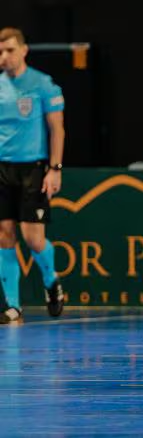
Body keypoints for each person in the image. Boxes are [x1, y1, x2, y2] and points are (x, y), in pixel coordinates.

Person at [0, 27, 66, 324]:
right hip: (3, 168)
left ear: (23, 50)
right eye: (0, 52)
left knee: (33, 238)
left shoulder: (43, 84)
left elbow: (57, 129)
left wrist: (54, 168)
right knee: (4, 235)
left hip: (34, 168)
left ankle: (51, 282)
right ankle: (12, 306)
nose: (5, 57)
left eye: (10, 50)